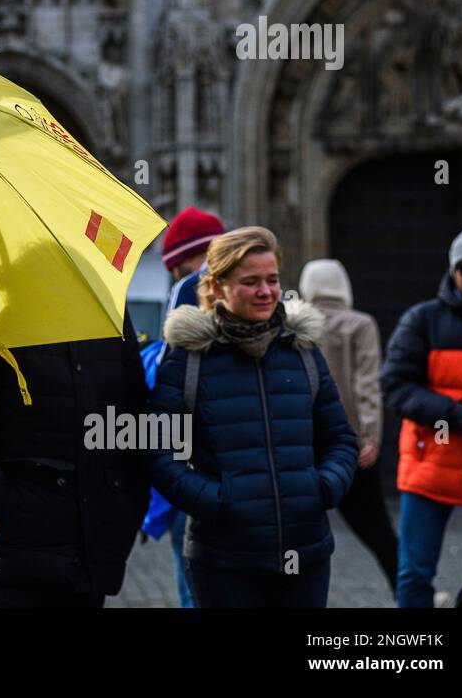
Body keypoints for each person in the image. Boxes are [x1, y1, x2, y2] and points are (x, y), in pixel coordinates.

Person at [149, 226, 358, 608]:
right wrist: (218, 501)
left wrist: (324, 486)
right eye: (251, 282)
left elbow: (341, 438)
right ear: (216, 286)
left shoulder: (302, 351)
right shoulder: (188, 358)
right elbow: (159, 453)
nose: (266, 291)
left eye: (273, 279)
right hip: (223, 559)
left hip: (306, 553)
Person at [0, 313, 149, 607]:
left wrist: (127, 503)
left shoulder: (104, 303)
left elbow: (136, 419)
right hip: (10, 546)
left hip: (89, 545)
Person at [383, 222, 462, 609]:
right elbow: (396, 387)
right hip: (431, 465)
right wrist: (455, 415)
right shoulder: (422, 320)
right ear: (453, 271)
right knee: (414, 573)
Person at [299, 259, 397, 592]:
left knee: (299, 529)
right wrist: (370, 436)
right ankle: (409, 592)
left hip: (306, 443)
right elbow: (367, 382)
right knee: (376, 527)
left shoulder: (299, 323)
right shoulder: (361, 324)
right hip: (351, 446)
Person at [154, 206, 227, 608]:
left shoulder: (190, 288)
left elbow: (170, 369)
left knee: (194, 578)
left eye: (180, 268)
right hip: (237, 464)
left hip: (196, 456)